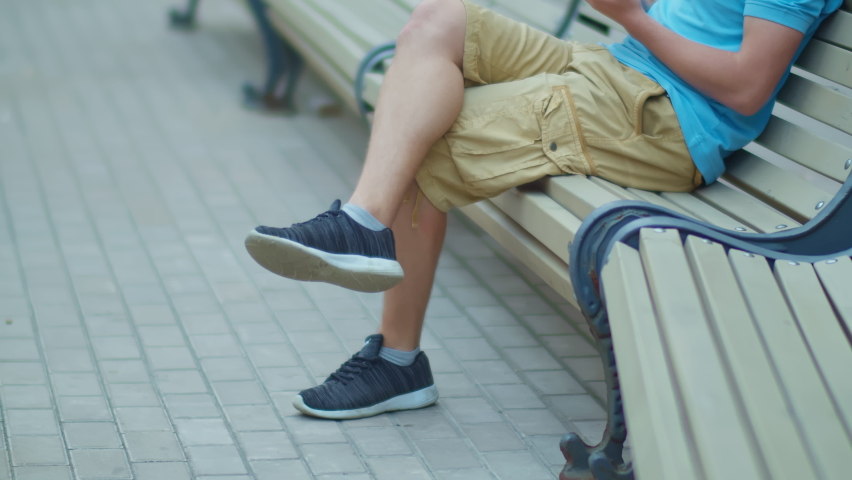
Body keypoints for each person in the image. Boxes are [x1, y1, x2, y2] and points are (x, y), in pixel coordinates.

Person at [244, 0, 842, 419]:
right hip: (620, 69)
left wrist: (632, 15)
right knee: (439, 18)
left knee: (420, 140)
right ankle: (363, 223)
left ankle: (397, 356)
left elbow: (745, 86)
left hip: (659, 118)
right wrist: (642, 12)